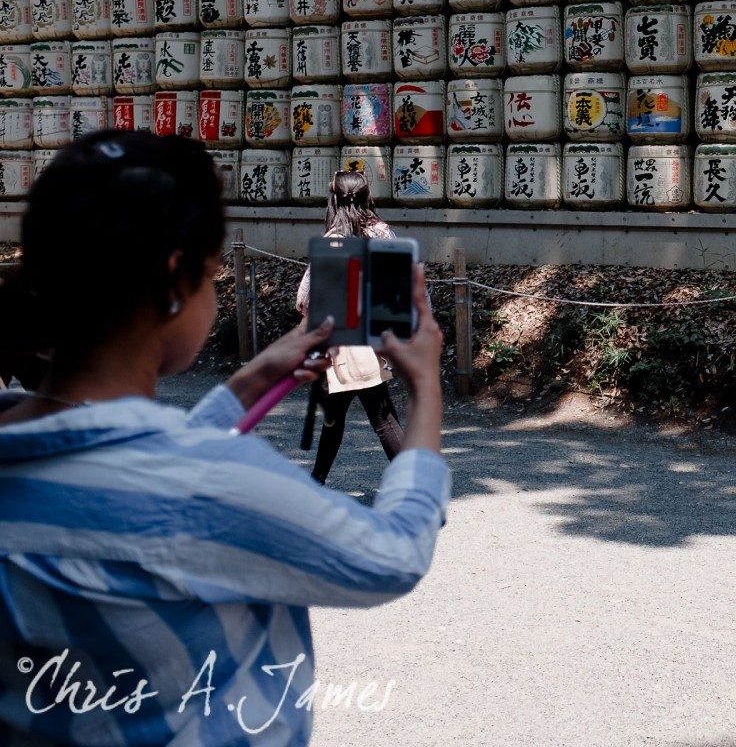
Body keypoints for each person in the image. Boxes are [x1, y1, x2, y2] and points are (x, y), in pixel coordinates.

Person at [0, 131, 448, 745]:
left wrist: (245, 387)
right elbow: (392, 556)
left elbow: (127, 465)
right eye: (213, 274)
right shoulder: (211, 481)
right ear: (177, 279)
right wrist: (426, 386)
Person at [295, 169, 405, 484]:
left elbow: (309, 299)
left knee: (378, 418)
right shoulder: (383, 233)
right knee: (348, 413)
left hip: (345, 339)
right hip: (379, 336)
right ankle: (316, 480)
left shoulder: (333, 240)